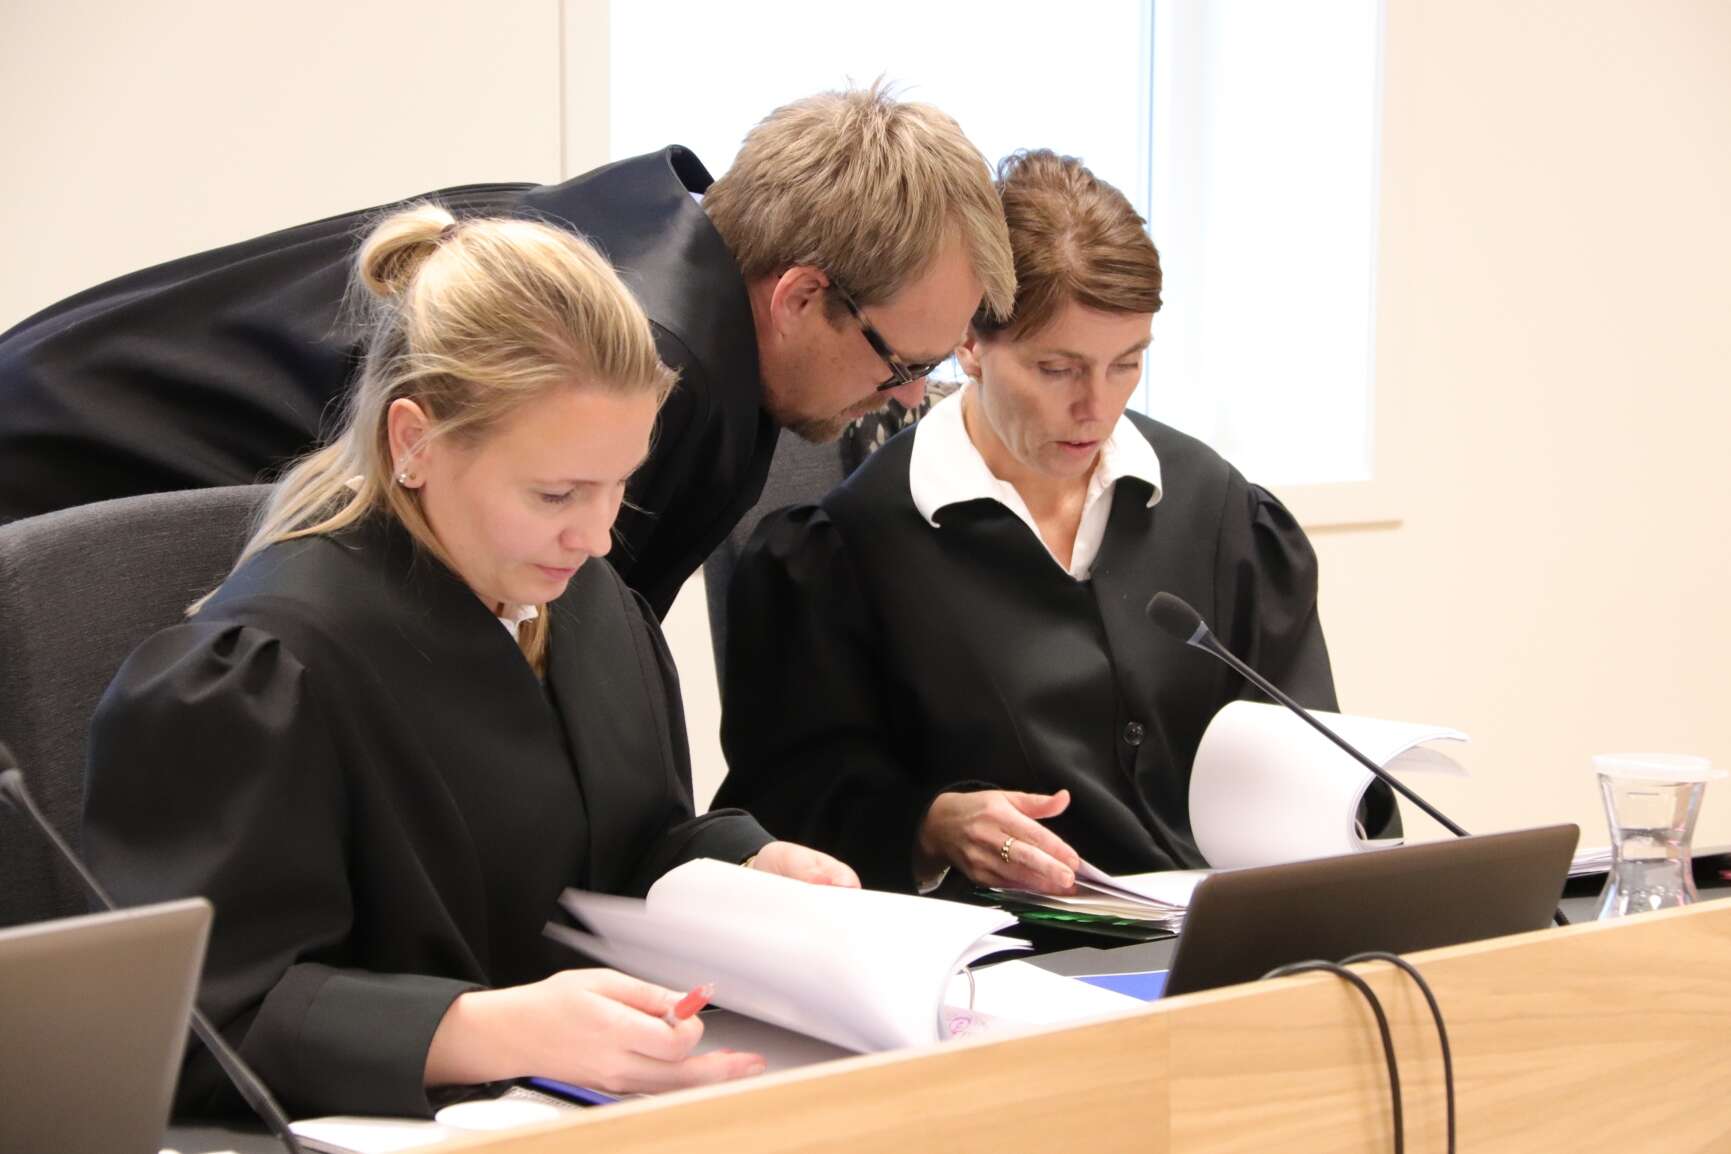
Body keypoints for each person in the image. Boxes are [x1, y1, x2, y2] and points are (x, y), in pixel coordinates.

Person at [80, 206, 857, 1121]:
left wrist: (741, 864)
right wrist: (493, 1031)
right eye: (556, 493)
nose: (597, 536)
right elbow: (194, 1024)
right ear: (414, 442)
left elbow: (617, 846)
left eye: (620, 485)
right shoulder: (260, 673)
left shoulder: (591, 603)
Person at [0, 85, 1014, 619]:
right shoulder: (638, 375)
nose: (909, 397)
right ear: (799, 296)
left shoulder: (654, 228)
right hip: (56, 490)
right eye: (899, 365)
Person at [713, 151, 1397, 895]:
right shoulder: (843, 550)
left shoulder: (1220, 509)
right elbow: (792, 807)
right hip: (1000, 947)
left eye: (1125, 364)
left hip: (1224, 928)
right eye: (1056, 369)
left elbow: (1315, 763)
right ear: (968, 343)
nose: (1095, 408)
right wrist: (929, 825)